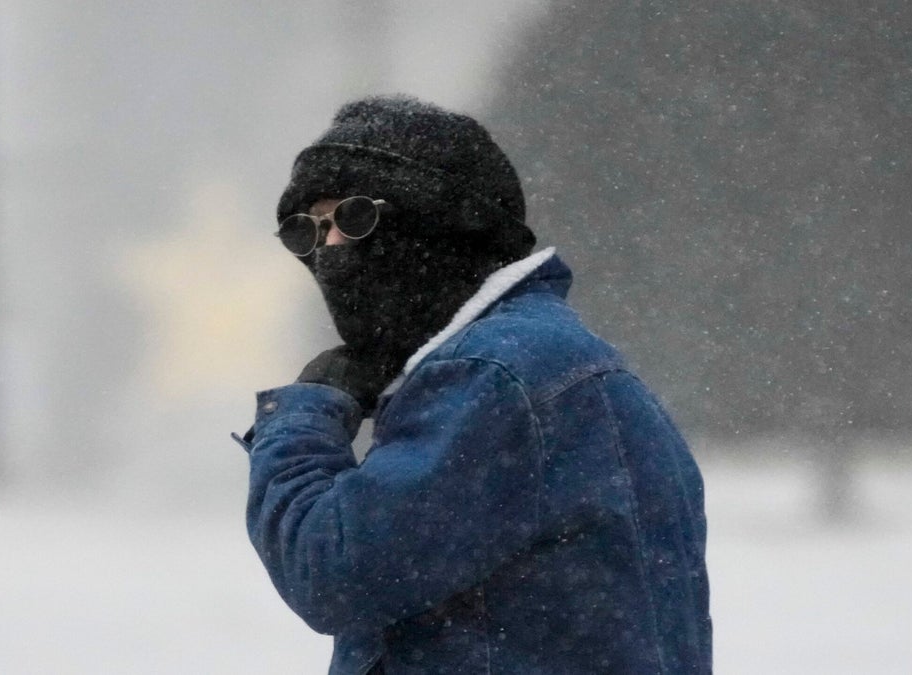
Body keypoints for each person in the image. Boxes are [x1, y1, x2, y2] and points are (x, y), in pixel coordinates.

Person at [234, 96, 712, 674]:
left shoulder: (492, 376)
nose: (329, 248)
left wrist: (302, 415)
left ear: (444, 223)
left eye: (355, 217)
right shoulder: (559, 361)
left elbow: (332, 571)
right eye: (308, 229)